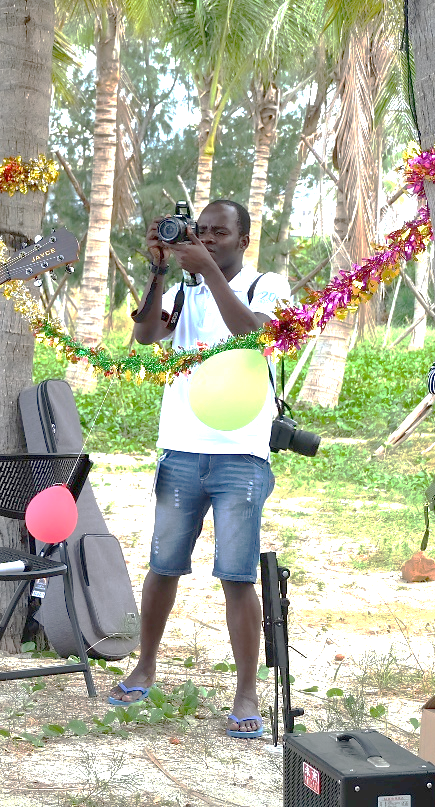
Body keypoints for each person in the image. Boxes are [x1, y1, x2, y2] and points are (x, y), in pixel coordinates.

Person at [111, 199, 290, 739]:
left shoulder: (267, 285)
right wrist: (159, 270)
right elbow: (147, 335)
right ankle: (145, 666)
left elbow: (253, 335)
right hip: (181, 447)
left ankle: (245, 691)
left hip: (242, 453)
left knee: (237, 576)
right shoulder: (184, 288)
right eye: (200, 231)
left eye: (219, 233)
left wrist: (207, 272)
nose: (207, 239)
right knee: (163, 566)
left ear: (244, 240)